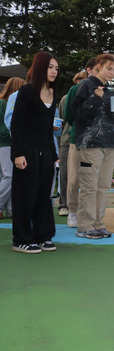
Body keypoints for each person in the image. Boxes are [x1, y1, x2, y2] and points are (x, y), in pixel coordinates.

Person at [10, 51, 60, 253]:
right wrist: (18, 154)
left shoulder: (52, 94)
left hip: (46, 152)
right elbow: (16, 124)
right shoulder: (26, 92)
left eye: (56, 68)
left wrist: (55, 156)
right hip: (26, 151)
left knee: (42, 195)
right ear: (40, 67)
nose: (54, 71)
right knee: (25, 195)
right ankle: (20, 239)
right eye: (50, 67)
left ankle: (43, 236)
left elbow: (49, 130)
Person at [72, 53, 114, 239]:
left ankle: (98, 223)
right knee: (89, 185)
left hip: (109, 142)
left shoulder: (112, 89)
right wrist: (94, 99)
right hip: (90, 142)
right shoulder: (86, 85)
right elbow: (76, 114)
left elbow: (110, 117)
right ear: (99, 66)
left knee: (103, 186)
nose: (112, 73)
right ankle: (84, 225)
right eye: (109, 68)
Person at [64, 57, 98, 228]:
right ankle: (72, 211)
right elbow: (69, 116)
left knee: (92, 179)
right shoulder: (76, 89)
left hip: (97, 142)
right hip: (77, 139)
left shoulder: (105, 90)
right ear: (88, 70)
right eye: (96, 69)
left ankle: (88, 213)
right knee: (74, 177)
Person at [57, 71, 87, 218]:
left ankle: (76, 204)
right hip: (67, 140)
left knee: (81, 175)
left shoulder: (90, 95)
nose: (81, 82)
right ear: (75, 81)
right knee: (65, 173)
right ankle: (63, 204)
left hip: (84, 141)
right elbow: (63, 117)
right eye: (79, 79)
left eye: (84, 79)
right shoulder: (66, 97)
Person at [0, 77, 25, 220]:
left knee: (13, 177)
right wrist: (14, 134)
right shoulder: (3, 103)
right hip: (5, 143)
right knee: (8, 175)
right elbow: (3, 125)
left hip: (12, 143)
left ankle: (11, 209)